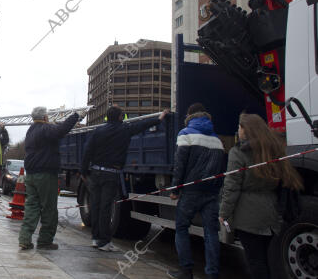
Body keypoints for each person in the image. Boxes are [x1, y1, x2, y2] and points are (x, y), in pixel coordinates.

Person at [219, 114, 302, 279]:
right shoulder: (273, 150)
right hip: (270, 214)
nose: (238, 130)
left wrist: (224, 213)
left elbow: (232, 187)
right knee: (265, 259)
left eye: (240, 127)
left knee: (255, 261)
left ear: (246, 130)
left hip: (248, 216)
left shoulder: (238, 152)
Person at [81, 106, 169, 251]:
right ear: (120, 117)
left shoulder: (98, 131)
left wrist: (84, 171)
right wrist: (159, 118)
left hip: (95, 172)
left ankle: (96, 239)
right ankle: (104, 242)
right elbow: (142, 125)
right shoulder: (124, 129)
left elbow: (87, 150)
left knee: (95, 206)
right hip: (111, 173)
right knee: (105, 208)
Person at [167, 103, 226, 279]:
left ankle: (186, 271)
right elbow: (221, 169)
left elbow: (180, 165)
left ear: (190, 115)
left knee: (182, 228)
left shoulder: (185, 134)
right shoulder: (217, 139)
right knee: (211, 233)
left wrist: (175, 189)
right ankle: (212, 274)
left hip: (191, 190)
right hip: (211, 192)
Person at [18, 107, 81, 250]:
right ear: (45, 117)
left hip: (31, 174)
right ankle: (45, 240)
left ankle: (24, 238)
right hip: (45, 174)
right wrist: (75, 116)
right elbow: (61, 131)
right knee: (49, 209)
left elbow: (56, 130)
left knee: (32, 207)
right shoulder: (45, 129)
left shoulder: (31, 130)